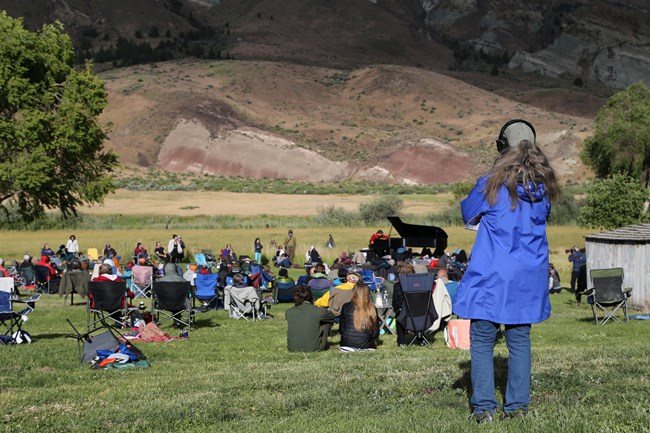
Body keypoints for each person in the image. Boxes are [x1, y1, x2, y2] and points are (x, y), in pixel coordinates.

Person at [453, 119, 559, 423]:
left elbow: (467, 212)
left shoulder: (492, 184)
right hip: (528, 278)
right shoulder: (543, 190)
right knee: (520, 340)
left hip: (492, 276)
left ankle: (484, 407)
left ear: (503, 148)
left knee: (484, 339)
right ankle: (517, 408)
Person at [285, 285, 335, 352]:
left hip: (292, 348)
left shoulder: (289, 311)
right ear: (310, 296)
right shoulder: (318, 311)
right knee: (326, 321)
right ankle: (321, 342)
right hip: (314, 348)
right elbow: (331, 316)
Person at [339, 281, 379, 351]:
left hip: (346, 346)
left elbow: (341, 330)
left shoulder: (346, 306)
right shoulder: (372, 309)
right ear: (368, 294)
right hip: (366, 347)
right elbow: (375, 334)